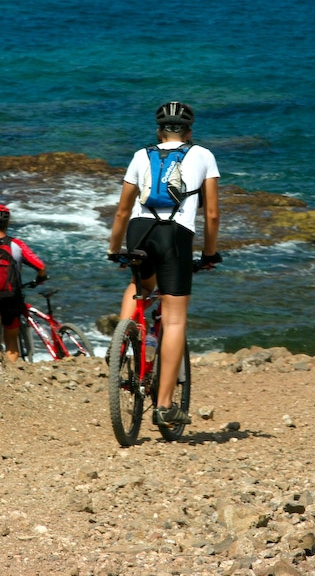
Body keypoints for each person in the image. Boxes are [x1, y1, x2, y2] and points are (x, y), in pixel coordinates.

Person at [107, 101, 221, 428]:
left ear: (159, 132)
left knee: (140, 285)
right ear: (189, 132)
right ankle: (165, 406)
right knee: (174, 320)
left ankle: (121, 342)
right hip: (175, 234)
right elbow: (212, 214)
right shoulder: (203, 155)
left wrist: (115, 250)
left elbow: (122, 211)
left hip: (139, 231)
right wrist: (209, 254)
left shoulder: (141, 155)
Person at [0, 204, 47, 362]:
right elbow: (40, 267)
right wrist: (40, 279)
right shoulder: (16, 244)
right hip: (11, 299)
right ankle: (9, 371)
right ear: (8, 222)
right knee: (11, 341)